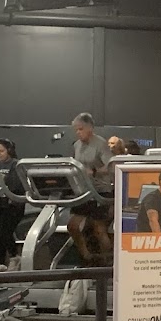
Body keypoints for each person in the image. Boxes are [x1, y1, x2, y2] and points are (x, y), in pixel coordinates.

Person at [69, 112, 114, 264]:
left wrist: (94, 171)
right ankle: (87, 256)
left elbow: (110, 166)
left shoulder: (100, 144)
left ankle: (108, 261)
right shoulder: (76, 145)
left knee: (99, 228)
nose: (78, 132)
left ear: (90, 128)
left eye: (81, 129)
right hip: (84, 191)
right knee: (73, 226)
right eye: (76, 129)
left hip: (101, 190)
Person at [0, 139, 25, 272]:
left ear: (9, 151)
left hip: (13, 204)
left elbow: (16, 185)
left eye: (1, 151)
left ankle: (15, 257)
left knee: (5, 231)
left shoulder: (16, 164)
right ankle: (0, 263)